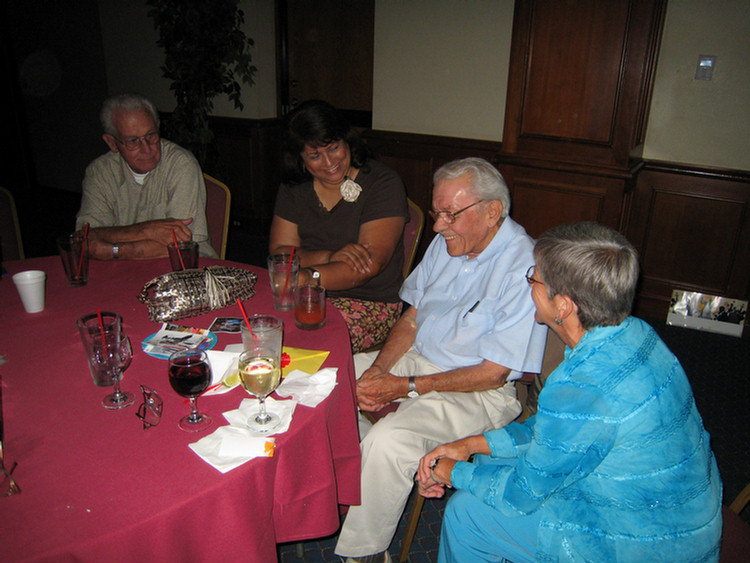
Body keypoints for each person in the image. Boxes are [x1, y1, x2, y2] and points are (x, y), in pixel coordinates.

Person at [417, 222, 723, 563]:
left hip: (642, 544)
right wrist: (473, 444)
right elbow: (558, 428)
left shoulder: (582, 384)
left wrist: (450, 472)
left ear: (563, 306)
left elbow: (520, 495)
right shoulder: (637, 333)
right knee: (490, 460)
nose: (529, 283)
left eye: (534, 277)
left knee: (466, 513)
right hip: (682, 515)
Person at [334, 157, 548, 563]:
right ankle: (364, 484)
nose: (436, 225)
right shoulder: (448, 242)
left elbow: (493, 372)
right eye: (436, 213)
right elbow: (411, 318)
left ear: (492, 212)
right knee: (331, 383)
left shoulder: (524, 265)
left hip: (482, 390)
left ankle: (364, 552)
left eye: (450, 214)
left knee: (388, 441)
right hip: (418, 362)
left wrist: (402, 387)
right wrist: (381, 370)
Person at [269, 100, 408, 353]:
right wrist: (328, 256)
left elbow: (366, 266)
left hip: (370, 302)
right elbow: (281, 253)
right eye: (314, 156)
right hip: (303, 295)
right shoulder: (294, 187)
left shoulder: (382, 183)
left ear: (347, 141)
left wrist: (304, 277)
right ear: (300, 159)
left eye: (333, 148)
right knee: (262, 333)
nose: (328, 162)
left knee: (304, 345)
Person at [75, 93, 218, 260]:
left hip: (185, 269)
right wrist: (147, 230)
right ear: (112, 143)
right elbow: (84, 238)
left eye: (151, 135)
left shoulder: (181, 164)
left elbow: (180, 247)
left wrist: (110, 250)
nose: (147, 149)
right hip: (123, 270)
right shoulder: (99, 172)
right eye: (133, 141)